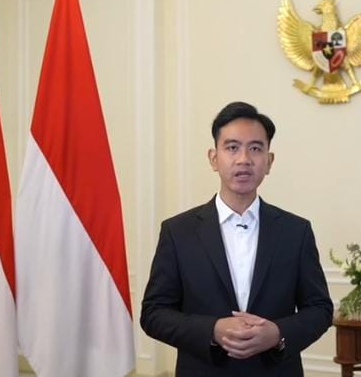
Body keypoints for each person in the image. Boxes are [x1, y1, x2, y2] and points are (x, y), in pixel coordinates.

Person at [141, 101, 333, 376]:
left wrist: (277, 333)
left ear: (269, 161)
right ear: (213, 158)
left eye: (255, 148)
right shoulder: (178, 231)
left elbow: (319, 309)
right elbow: (154, 313)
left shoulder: (296, 231)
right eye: (232, 147)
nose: (244, 159)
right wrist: (212, 329)